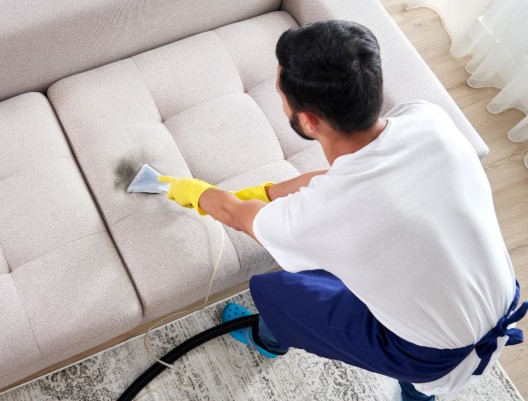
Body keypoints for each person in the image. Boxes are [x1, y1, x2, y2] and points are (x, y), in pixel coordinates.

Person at [157, 20, 527, 400]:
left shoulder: (317, 216)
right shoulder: (428, 120)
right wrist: (272, 191)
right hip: (499, 294)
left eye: (281, 94)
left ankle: (268, 340)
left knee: (278, 293)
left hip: (428, 352)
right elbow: (361, 166)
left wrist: (194, 191)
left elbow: (236, 215)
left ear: (308, 121)